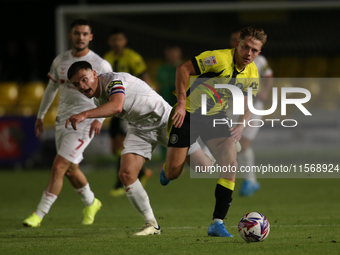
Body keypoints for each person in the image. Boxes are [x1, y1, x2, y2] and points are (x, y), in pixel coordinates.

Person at [65, 61, 215, 235]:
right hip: (139, 128)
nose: (83, 86)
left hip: (166, 121)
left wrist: (84, 115)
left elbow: (116, 105)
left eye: (85, 79)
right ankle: (151, 224)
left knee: (203, 167)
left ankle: (216, 147)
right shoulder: (96, 94)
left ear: (94, 74)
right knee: (126, 174)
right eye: (77, 84)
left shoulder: (114, 81)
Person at [160, 26, 266, 237]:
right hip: (188, 114)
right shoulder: (217, 59)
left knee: (230, 164)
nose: (248, 53)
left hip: (215, 117)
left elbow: (248, 106)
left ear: (259, 53)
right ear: (237, 44)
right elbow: (183, 69)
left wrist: (241, 125)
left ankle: (217, 223)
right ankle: (169, 167)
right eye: (245, 47)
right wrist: (180, 103)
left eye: (254, 50)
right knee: (175, 172)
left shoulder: (252, 72)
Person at [22, 19, 112, 227]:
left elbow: (110, 92)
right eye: (77, 33)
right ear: (70, 35)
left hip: (85, 122)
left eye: (84, 34)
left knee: (59, 166)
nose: (80, 37)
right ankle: (92, 202)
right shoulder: (60, 61)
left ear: (90, 37)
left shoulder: (100, 64)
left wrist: (99, 119)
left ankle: (38, 214)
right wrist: (40, 115)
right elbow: (51, 89)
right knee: (70, 169)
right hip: (63, 120)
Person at [103, 27, 152, 197]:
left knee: (123, 144)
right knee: (114, 146)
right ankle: (142, 172)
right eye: (114, 40)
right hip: (116, 108)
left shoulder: (133, 58)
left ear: (125, 41)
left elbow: (145, 78)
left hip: (130, 107)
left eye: (120, 39)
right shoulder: (107, 59)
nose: (117, 43)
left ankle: (121, 182)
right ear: (110, 42)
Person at [230, 30, 274, 196]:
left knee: (242, 144)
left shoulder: (260, 60)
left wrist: (265, 91)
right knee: (237, 144)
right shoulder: (229, 60)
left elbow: (268, 76)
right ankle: (251, 181)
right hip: (235, 107)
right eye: (234, 39)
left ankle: (250, 181)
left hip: (254, 108)